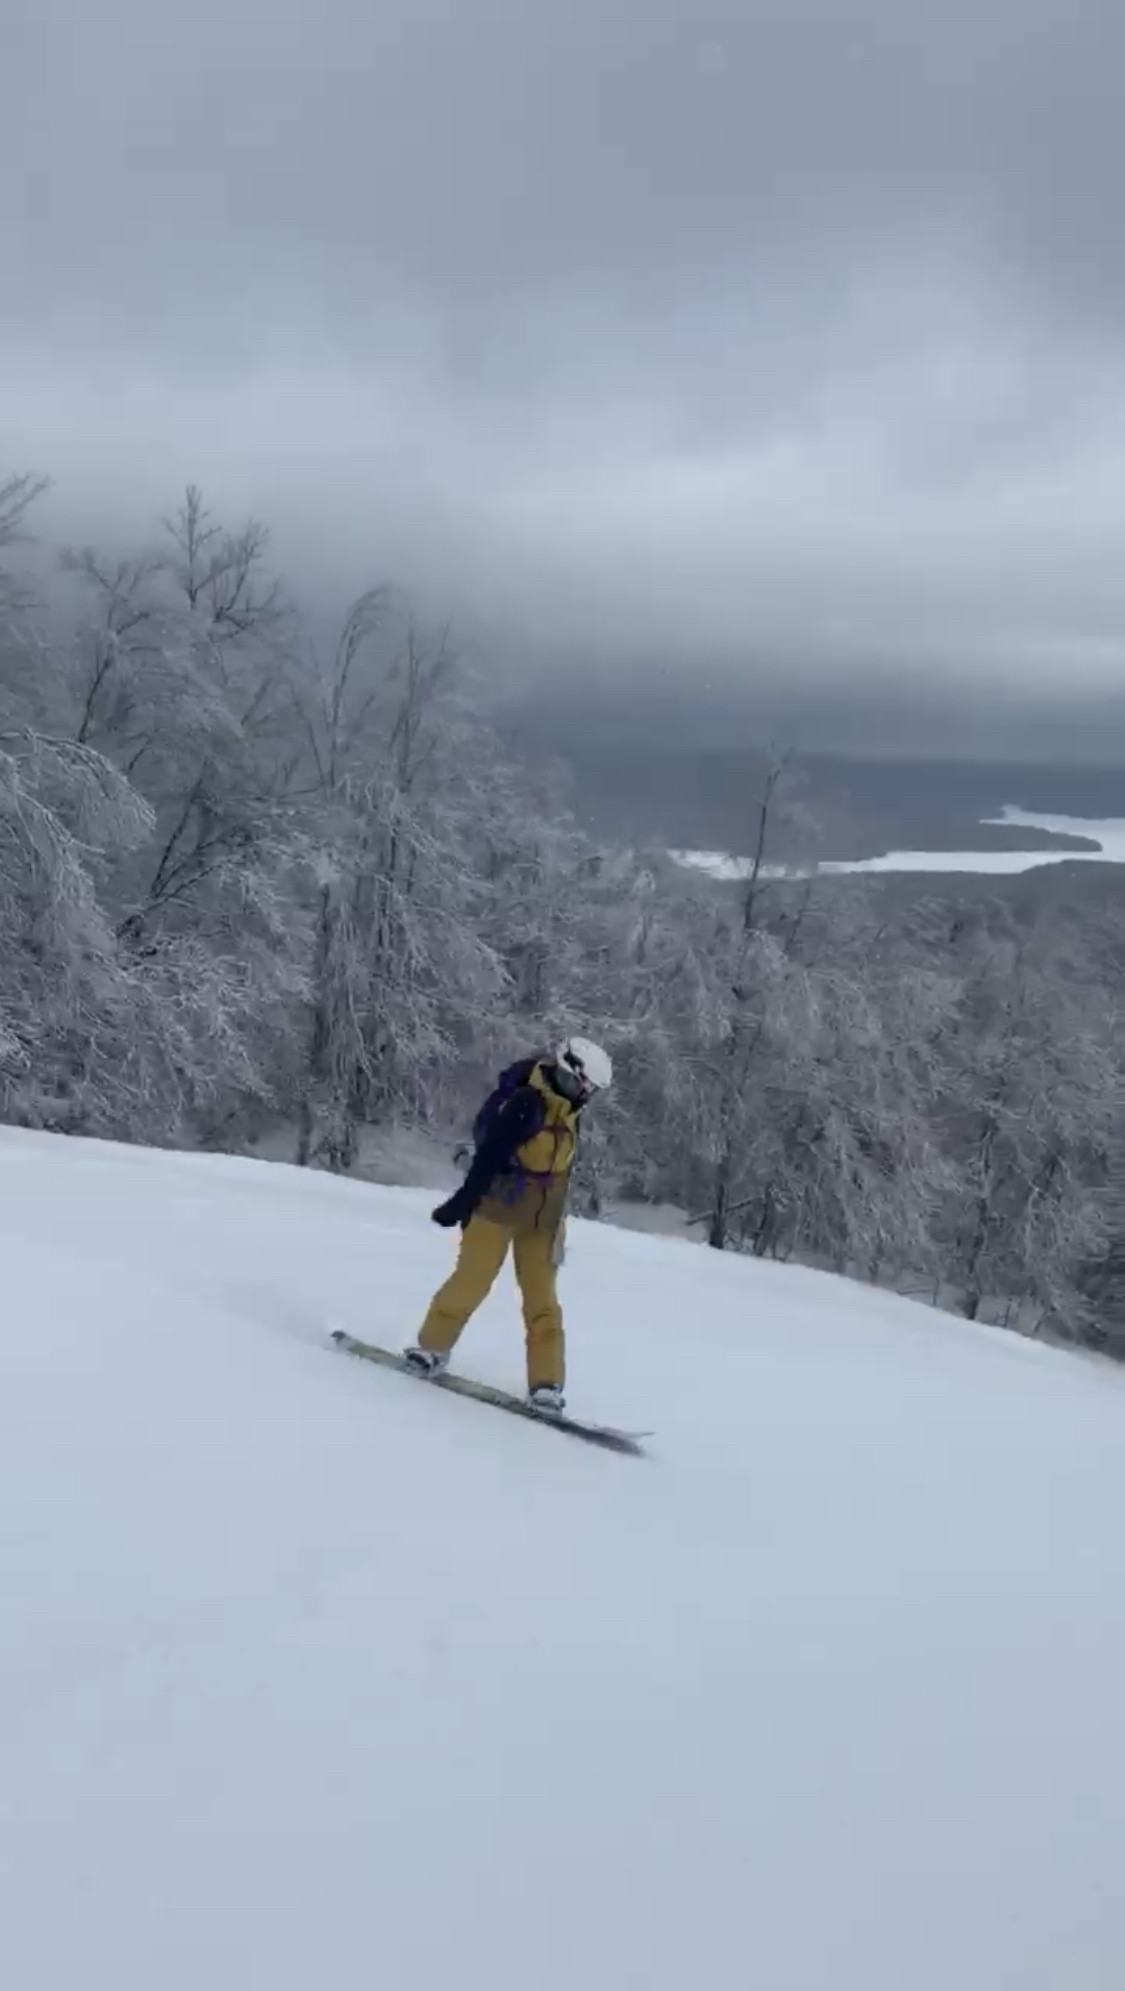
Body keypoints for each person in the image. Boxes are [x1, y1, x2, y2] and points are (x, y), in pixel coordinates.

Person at [403, 1037, 614, 1412]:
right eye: (586, 1085)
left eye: (593, 1090)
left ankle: (546, 1385)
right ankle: (430, 1349)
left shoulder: (570, 1111)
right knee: (470, 1283)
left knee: (543, 1304)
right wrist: (460, 1204)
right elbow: (488, 1159)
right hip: (496, 1213)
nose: (588, 1094)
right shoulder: (525, 1105)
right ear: (568, 1072)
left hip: (543, 1223)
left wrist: (557, 1228)